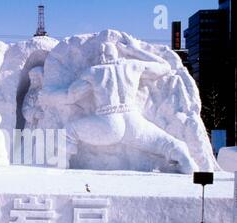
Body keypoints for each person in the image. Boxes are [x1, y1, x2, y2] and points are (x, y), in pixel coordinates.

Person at [43, 34, 198, 174]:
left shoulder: (93, 72)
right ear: (116, 53)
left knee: (70, 130)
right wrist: (135, 51)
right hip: (133, 122)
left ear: (101, 56)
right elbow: (165, 67)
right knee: (169, 144)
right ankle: (187, 163)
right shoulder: (132, 65)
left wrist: (49, 95)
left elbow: (70, 96)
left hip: (107, 122)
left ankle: (59, 165)